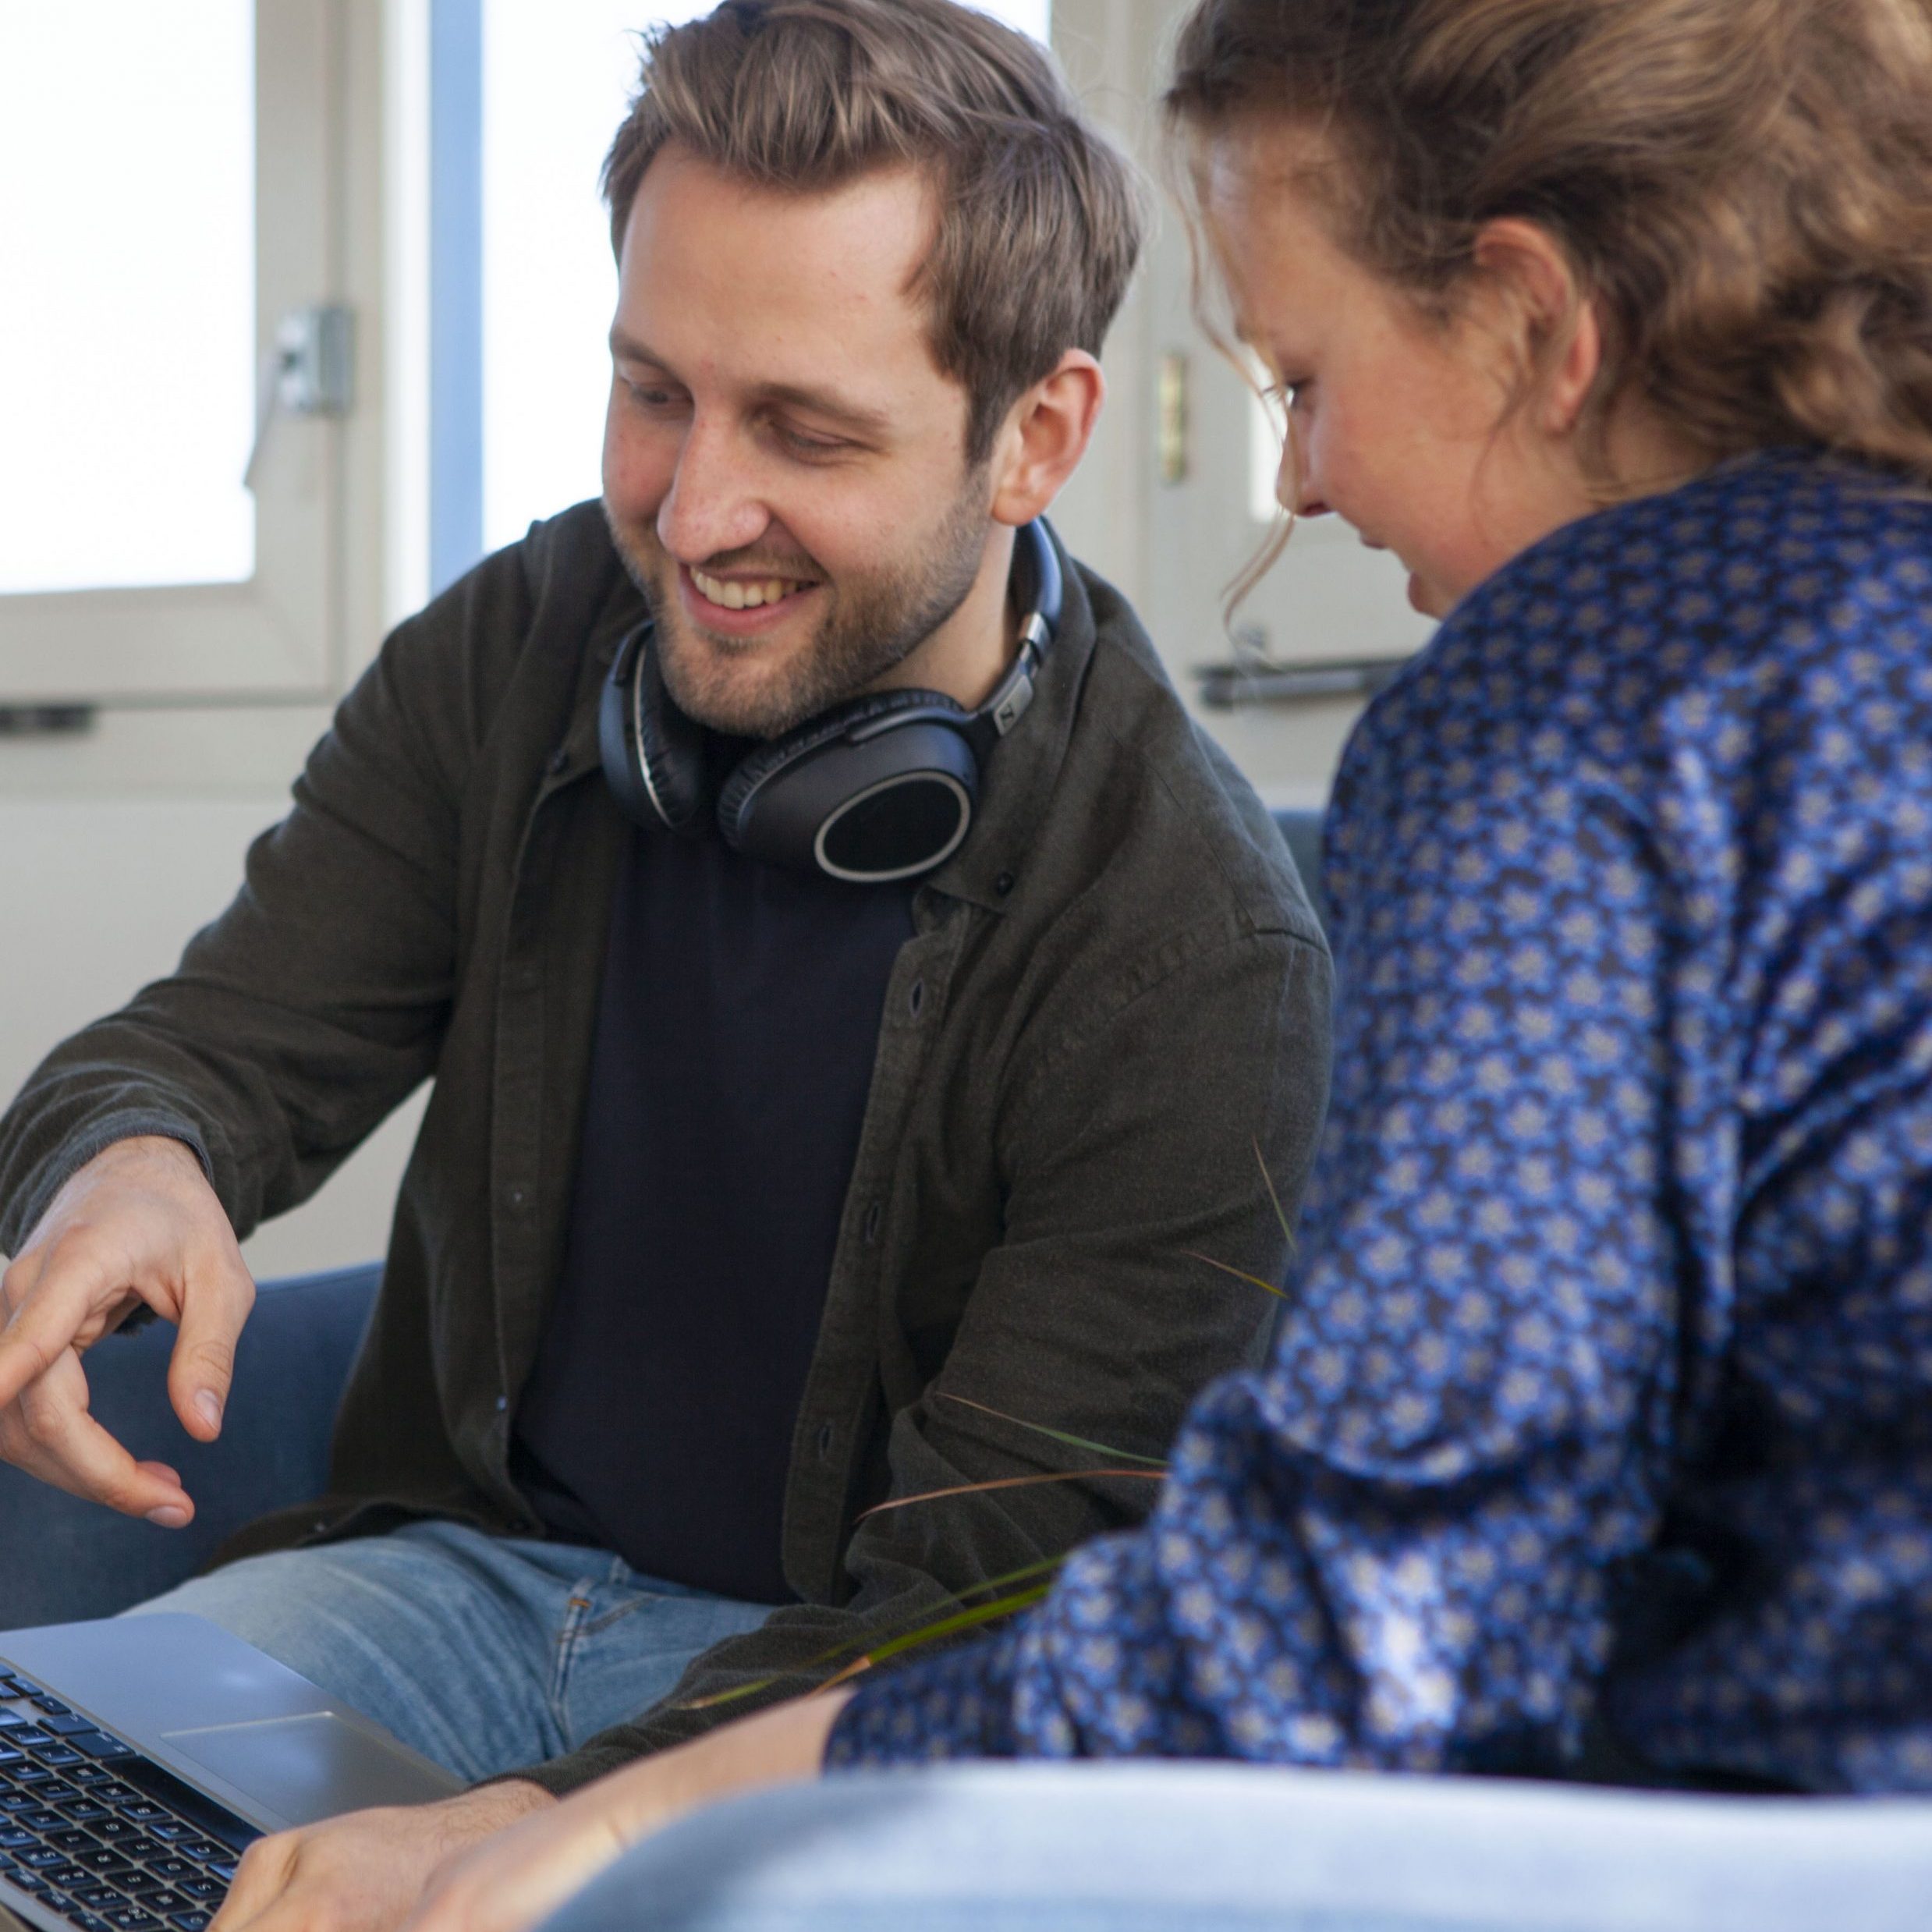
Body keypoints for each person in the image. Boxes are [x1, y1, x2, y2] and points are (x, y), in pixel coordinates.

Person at [286, 0, 1932, 1925]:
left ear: (1535, 326)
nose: (1301, 477)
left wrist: (632, 1826)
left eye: (1302, 379)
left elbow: (1360, 1627)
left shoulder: (1578, 705)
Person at [0, 0, 1332, 1913]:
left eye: (803, 427)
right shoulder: (523, 640)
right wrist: (130, 1162)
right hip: (445, 1586)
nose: (694, 514)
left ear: (1034, 434)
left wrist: (539, 1823)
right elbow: (215, 1043)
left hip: (843, 1688)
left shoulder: (1196, 947)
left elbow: (1003, 1600)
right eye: (654, 393)